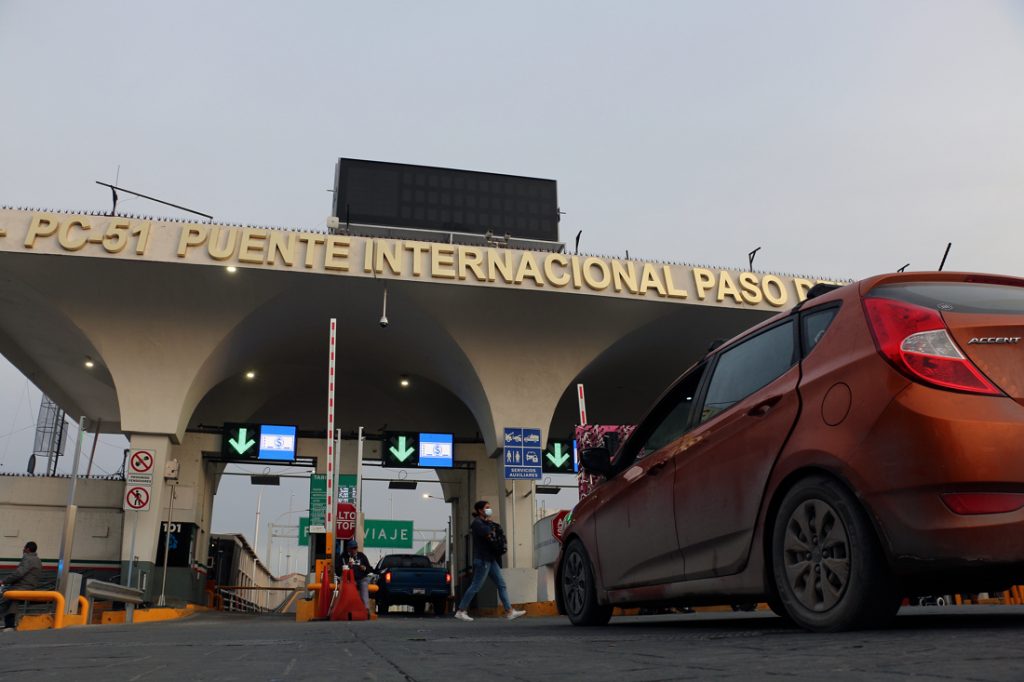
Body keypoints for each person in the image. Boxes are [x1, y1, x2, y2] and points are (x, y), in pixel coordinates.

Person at [454, 501, 525, 622]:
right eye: (487, 508)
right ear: (480, 511)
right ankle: (461, 611)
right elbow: (490, 536)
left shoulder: (485, 523)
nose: (489, 510)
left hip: (490, 560)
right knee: (476, 586)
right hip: (483, 560)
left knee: (501, 584)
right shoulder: (477, 523)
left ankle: (509, 611)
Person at [0, 541, 43, 631]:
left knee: (4, 599)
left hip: (22, 587)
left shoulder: (28, 559)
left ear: (27, 549)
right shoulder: (38, 560)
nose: (23, 549)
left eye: (24, 548)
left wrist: (3, 581)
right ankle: (9, 625)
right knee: (12, 603)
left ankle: (9, 625)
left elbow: (18, 573)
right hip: (30, 587)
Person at [341, 539, 372, 609]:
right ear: (348, 549)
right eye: (352, 548)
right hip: (349, 579)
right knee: (351, 585)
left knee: (364, 584)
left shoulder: (361, 556)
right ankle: (350, 608)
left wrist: (364, 568)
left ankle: (365, 609)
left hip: (361, 578)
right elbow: (338, 570)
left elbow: (369, 569)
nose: (353, 550)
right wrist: (347, 566)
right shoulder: (343, 557)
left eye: (355, 548)